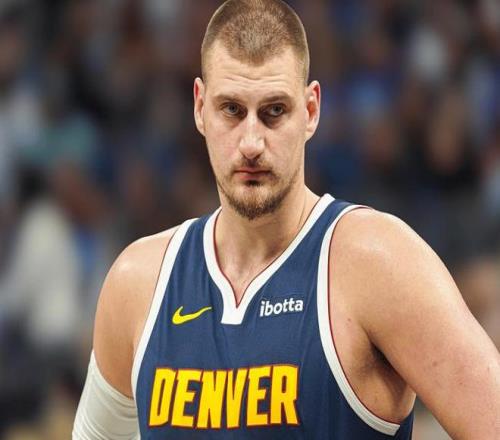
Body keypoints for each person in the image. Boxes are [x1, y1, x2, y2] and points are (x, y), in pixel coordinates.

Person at [73, 0, 500, 438]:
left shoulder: (377, 263)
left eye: (274, 110)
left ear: (311, 110)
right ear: (200, 107)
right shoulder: (138, 283)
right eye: (231, 110)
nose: (251, 142)